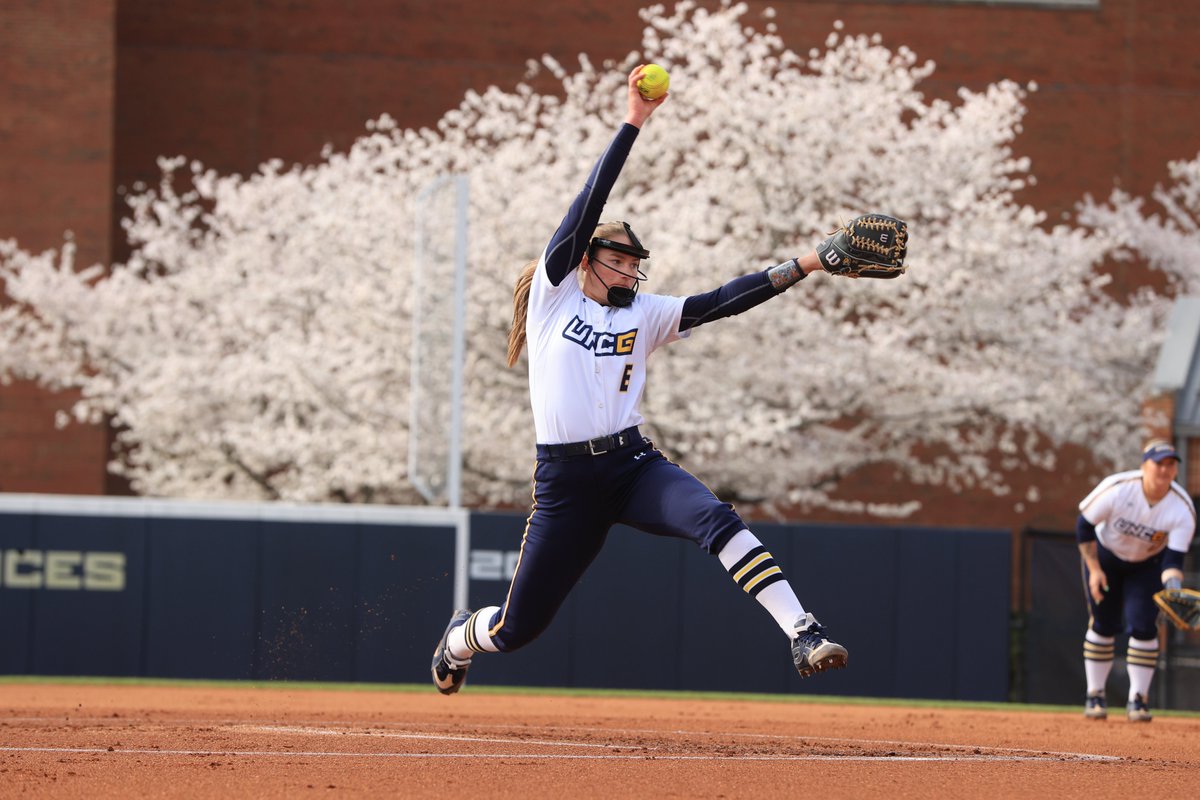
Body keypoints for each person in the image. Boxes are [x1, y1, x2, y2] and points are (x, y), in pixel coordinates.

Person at [432, 65, 887, 695]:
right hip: (565, 483)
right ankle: (462, 636)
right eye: (615, 261)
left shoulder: (644, 314)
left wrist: (810, 261)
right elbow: (587, 204)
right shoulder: (553, 299)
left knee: (716, 520)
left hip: (632, 466)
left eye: (633, 266)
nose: (627, 273)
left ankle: (803, 632)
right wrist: (634, 122)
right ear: (583, 262)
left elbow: (724, 299)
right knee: (518, 630)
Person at [1076, 439, 1196, 721]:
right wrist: (1094, 569)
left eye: (1171, 464)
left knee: (1143, 626)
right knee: (1104, 623)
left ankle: (1138, 699)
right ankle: (1096, 695)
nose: (1165, 470)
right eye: (1159, 463)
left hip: (1147, 565)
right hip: (1105, 558)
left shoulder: (1182, 509)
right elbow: (1084, 526)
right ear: (1144, 466)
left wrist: (1173, 589)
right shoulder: (1118, 489)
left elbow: (1173, 561)